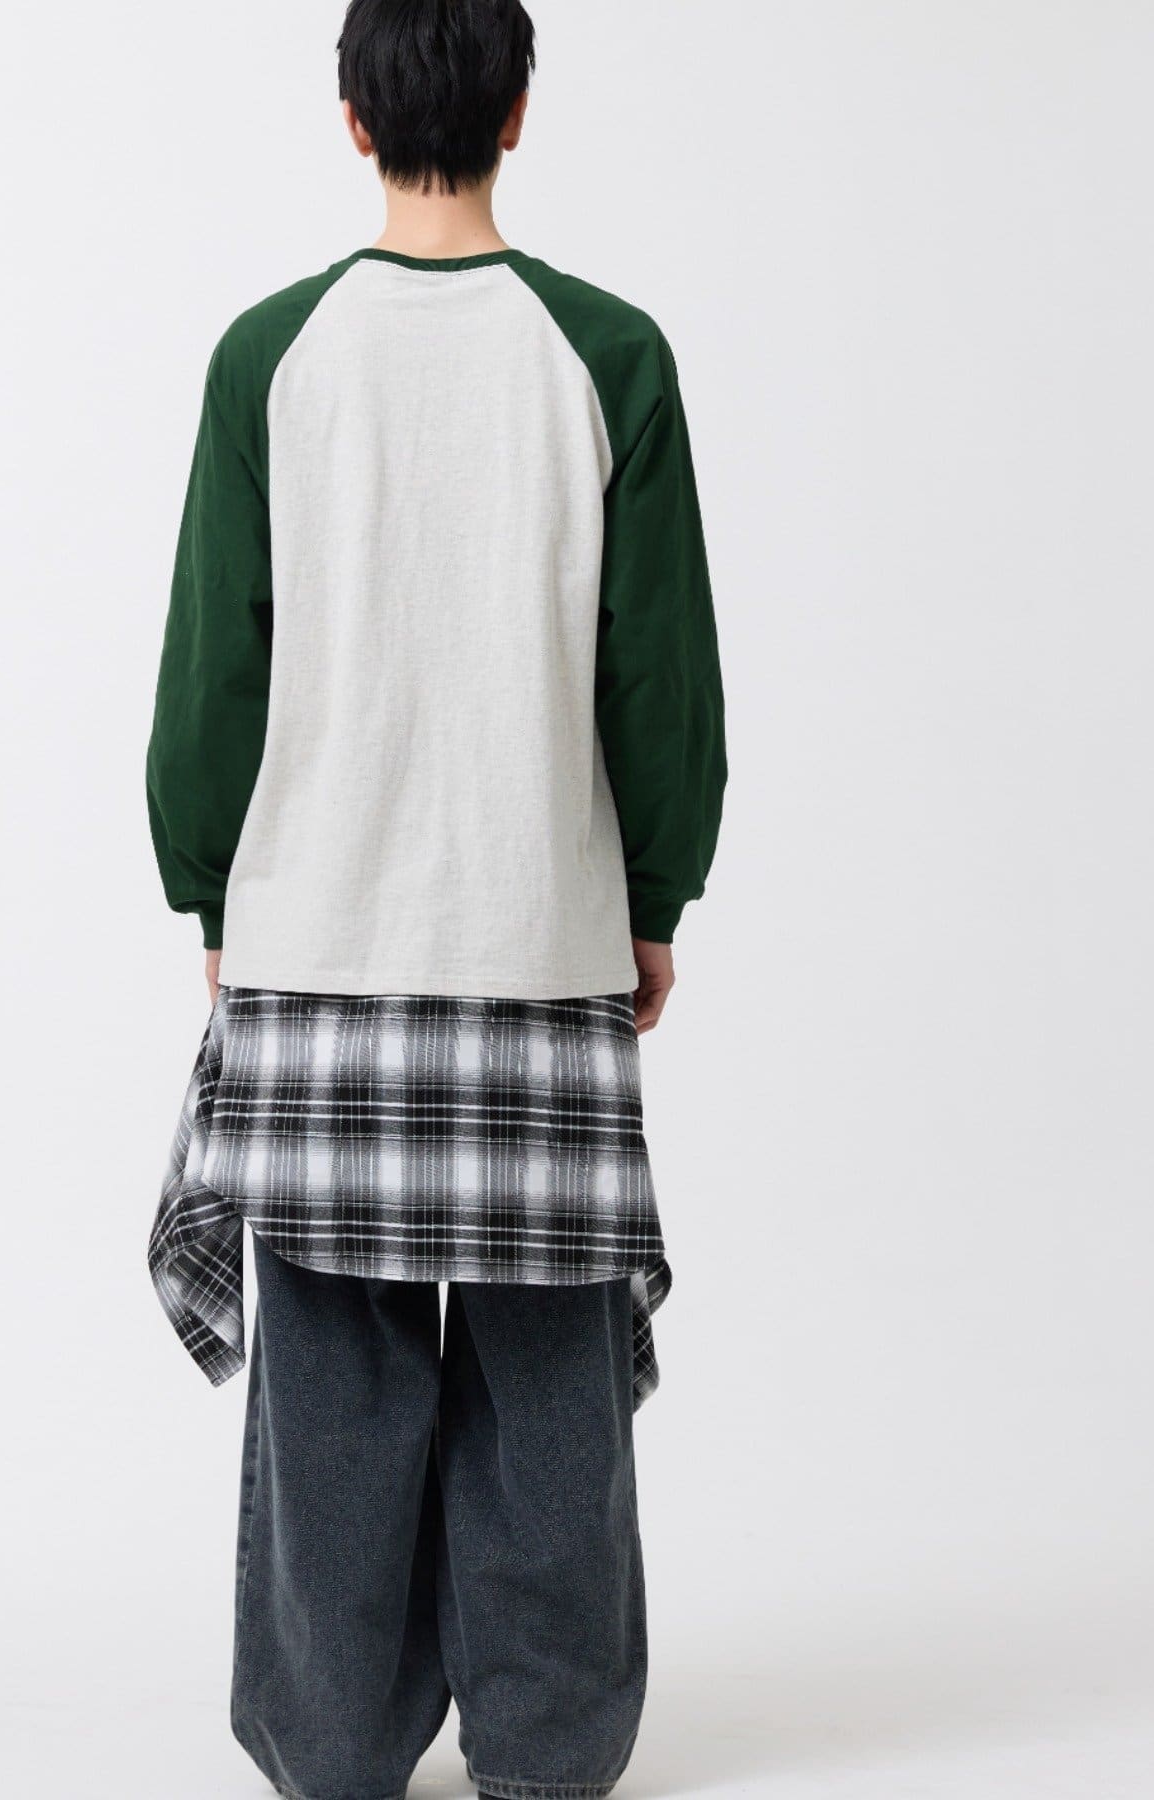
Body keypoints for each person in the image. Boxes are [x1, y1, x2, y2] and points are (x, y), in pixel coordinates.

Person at [145, 3, 725, 1795]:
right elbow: (661, 675)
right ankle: (550, 1749)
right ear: (519, 112)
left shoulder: (272, 356)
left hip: (317, 940)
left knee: (333, 1373)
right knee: (550, 1379)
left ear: (351, 117)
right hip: (539, 938)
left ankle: (332, 1740)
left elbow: (214, 667)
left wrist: (210, 891)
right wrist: (653, 895)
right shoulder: (607, 353)